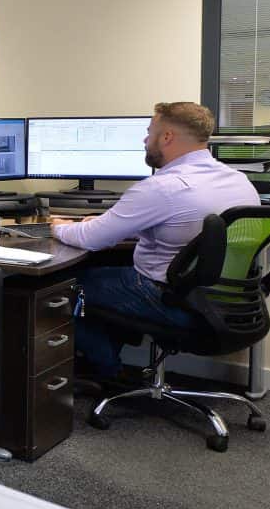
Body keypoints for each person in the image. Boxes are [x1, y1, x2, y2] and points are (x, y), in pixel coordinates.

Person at [50, 102, 258, 377]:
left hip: (169, 300)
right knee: (104, 281)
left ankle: (105, 368)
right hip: (225, 302)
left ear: (167, 137)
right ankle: (108, 359)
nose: (145, 140)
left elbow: (90, 240)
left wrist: (58, 226)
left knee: (66, 291)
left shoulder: (162, 187)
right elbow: (186, 227)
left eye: (150, 132)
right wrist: (116, 226)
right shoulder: (238, 181)